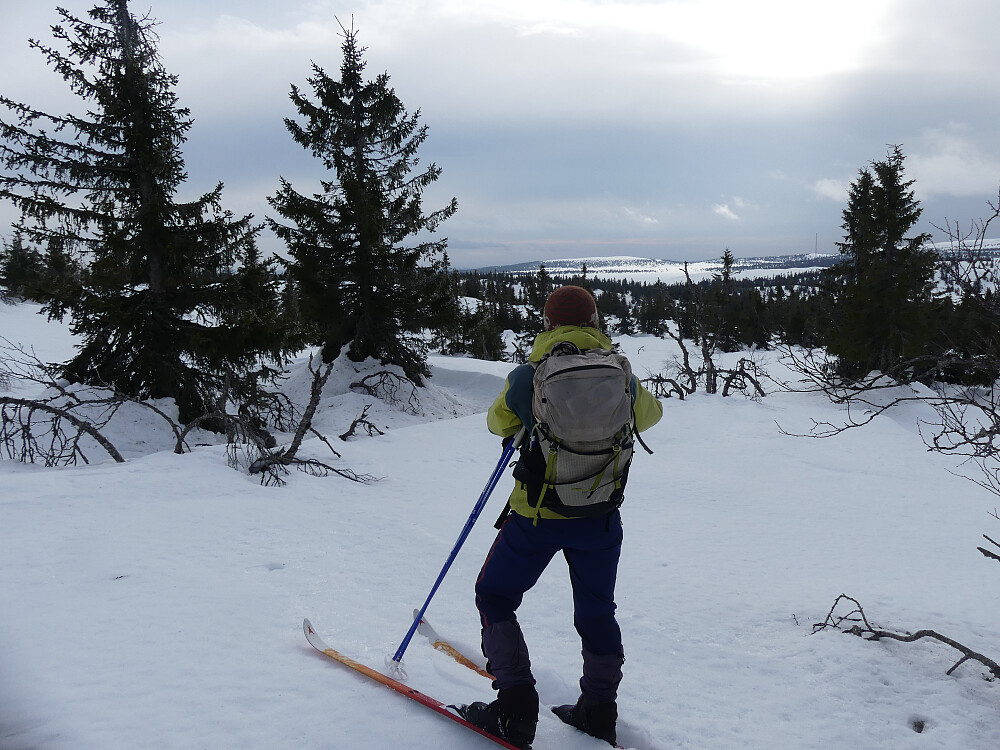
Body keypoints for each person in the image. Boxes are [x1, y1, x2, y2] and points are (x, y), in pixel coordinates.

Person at [456, 285, 663, 748]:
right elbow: (650, 417)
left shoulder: (528, 376)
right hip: (601, 517)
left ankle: (515, 706)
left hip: (537, 516)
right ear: (594, 322)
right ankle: (599, 709)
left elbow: (498, 423)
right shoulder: (621, 374)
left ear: (547, 323)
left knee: (494, 595)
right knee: (597, 610)